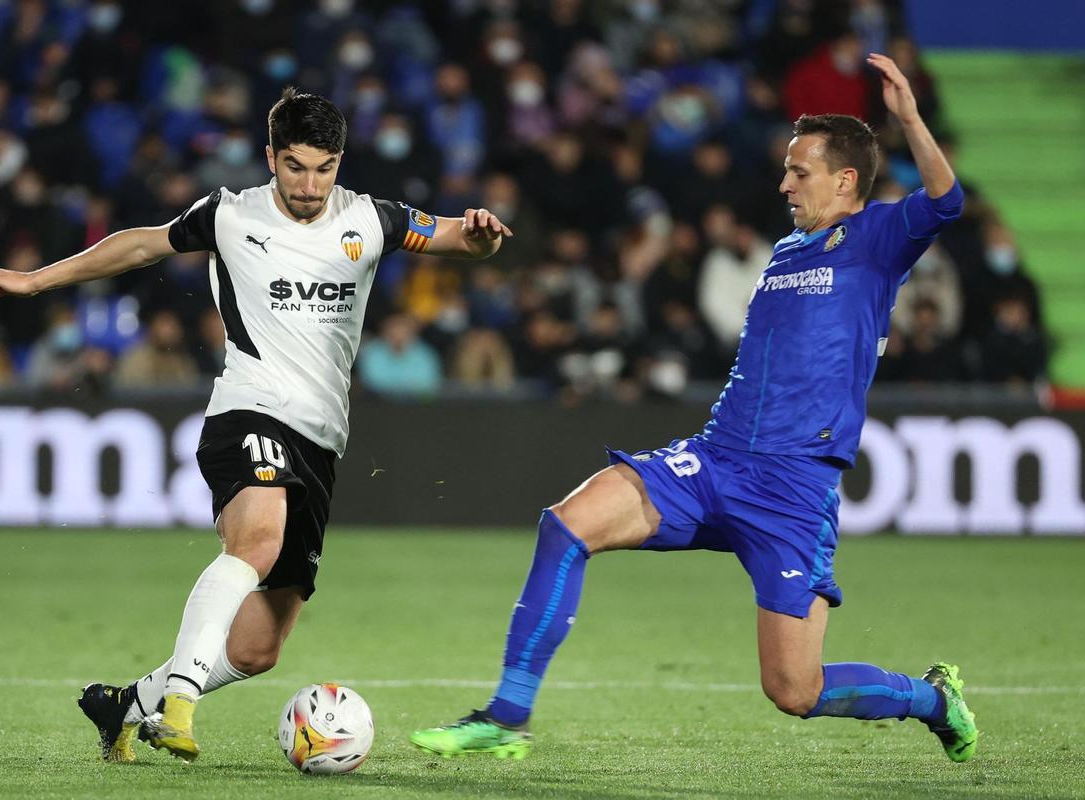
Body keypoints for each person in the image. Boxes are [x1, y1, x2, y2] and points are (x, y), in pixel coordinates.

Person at [411, 54, 977, 763]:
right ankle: (506, 715)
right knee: (566, 525)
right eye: (785, 169)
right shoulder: (786, 251)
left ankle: (932, 699)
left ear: (846, 180)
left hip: (791, 489)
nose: (784, 183)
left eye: (799, 171)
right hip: (714, 460)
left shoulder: (878, 241)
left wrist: (910, 121)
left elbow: (947, 202)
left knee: (794, 690)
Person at [0, 87, 512, 764]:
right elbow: (141, 246)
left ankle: (123, 705)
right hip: (248, 410)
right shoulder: (229, 214)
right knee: (256, 541)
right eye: (294, 166)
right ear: (270, 157)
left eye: (324, 168)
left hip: (320, 441)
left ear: (340, 161)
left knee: (259, 649)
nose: (310, 185)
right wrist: (35, 281)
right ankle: (180, 705)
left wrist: (483, 238)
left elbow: (456, 235)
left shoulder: (373, 219)